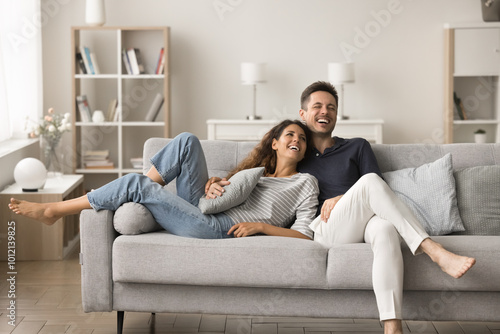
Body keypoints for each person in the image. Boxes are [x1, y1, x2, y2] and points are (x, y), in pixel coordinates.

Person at [206, 81, 476, 334]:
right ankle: (434, 250)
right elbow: (259, 172)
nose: (325, 112)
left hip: (364, 220)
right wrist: (216, 182)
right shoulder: (297, 151)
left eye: (331, 107)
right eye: (317, 107)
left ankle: (392, 327)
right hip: (327, 227)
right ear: (303, 113)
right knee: (368, 183)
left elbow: (378, 191)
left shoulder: (357, 146)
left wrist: (344, 197)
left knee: (385, 230)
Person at [9, 120, 319, 240]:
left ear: (304, 150)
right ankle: (146, 190)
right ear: (275, 143)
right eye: (289, 134)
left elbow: (306, 235)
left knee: (134, 184)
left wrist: (262, 227)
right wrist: (213, 183)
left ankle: (54, 211)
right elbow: (226, 193)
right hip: (203, 208)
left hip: (215, 226)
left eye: (302, 138)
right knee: (187, 139)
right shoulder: (256, 175)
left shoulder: (304, 184)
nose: (296, 140)